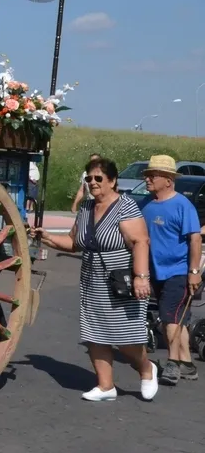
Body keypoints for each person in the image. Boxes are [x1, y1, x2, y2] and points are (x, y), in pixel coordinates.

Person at [33, 156, 157, 402]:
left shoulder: (126, 206)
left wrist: (141, 277)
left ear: (112, 181)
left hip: (120, 279)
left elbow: (141, 241)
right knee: (94, 333)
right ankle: (105, 385)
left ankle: (146, 369)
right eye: (88, 178)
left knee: (125, 337)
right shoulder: (86, 208)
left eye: (98, 178)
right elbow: (74, 243)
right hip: (92, 279)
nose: (92, 182)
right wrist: (47, 237)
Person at [138, 155, 203, 385]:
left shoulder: (182, 205)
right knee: (177, 318)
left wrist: (194, 271)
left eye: (152, 175)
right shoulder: (145, 204)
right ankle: (187, 366)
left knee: (169, 317)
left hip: (178, 272)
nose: (147, 179)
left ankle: (172, 364)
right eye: (146, 175)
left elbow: (195, 240)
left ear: (167, 179)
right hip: (153, 272)